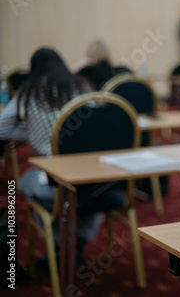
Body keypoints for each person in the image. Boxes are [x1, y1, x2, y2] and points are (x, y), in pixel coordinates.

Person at [0, 47, 120, 264]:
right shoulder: (82, 85)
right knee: (82, 191)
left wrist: (30, 130)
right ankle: (79, 242)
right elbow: (96, 125)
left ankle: (58, 246)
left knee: (25, 182)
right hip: (91, 178)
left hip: (52, 182)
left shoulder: (28, 92)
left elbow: (1, 128)